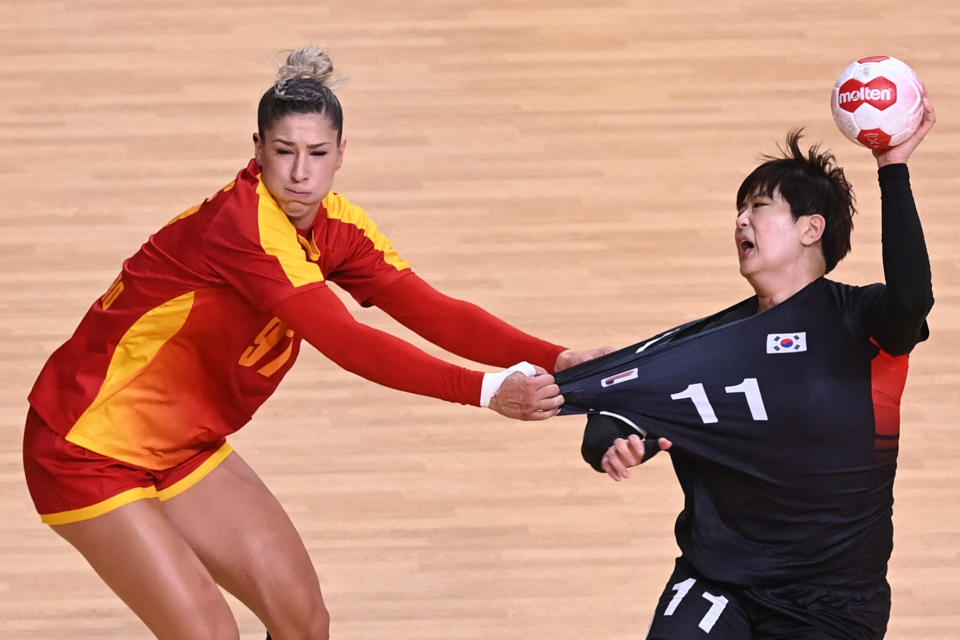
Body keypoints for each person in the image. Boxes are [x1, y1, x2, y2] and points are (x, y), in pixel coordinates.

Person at [22, 47, 606, 640]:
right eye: (283, 152)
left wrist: (556, 356)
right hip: (86, 450)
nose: (300, 173)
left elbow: (430, 309)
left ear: (341, 155)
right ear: (256, 150)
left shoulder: (338, 226)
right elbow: (346, 341)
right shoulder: (243, 228)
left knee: (303, 622)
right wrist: (486, 391)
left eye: (317, 154)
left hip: (180, 445)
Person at [558, 96, 936, 639]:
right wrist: (611, 443)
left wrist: (893, 169)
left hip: (834, 602)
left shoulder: (862, 322)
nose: (740, 219)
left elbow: (912, 297)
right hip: (720, 581)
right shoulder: (716, 342)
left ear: (811, 229)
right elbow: (630, 399)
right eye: (739, 209)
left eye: (759, 205)